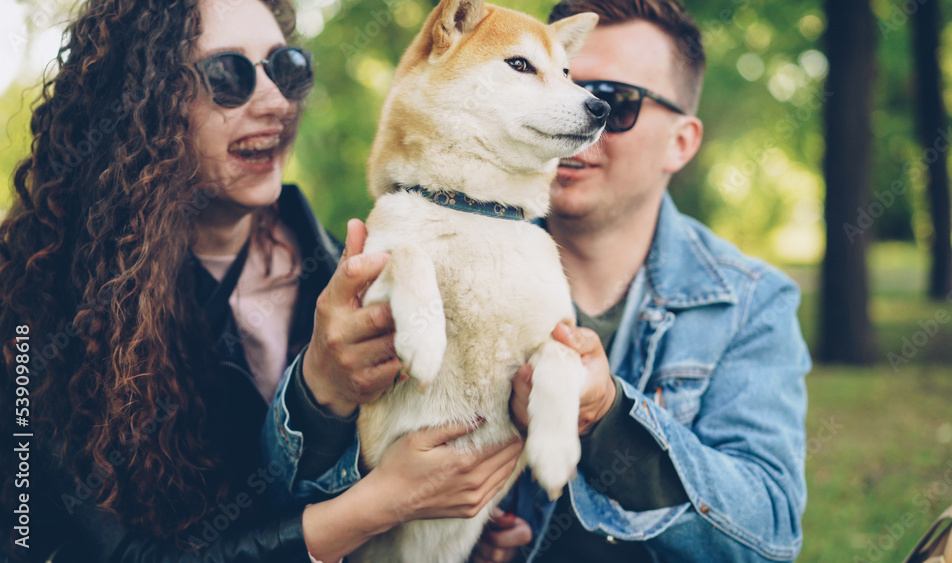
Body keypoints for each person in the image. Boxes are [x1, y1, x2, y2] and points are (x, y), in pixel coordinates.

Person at [0, 0, 521, 560]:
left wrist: (439, 532)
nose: (276, 101)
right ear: (141, 102)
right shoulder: (40, 306)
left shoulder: (345, 270)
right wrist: (377, 506)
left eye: (286, 68)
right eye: (228, 76)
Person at [470, 0, 811, 561]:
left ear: (682, 142)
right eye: (554, 83)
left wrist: (606, 420)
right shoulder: (452, 250)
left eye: (612, 102)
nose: (570, 115)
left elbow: (769, 535)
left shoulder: (751, 303)